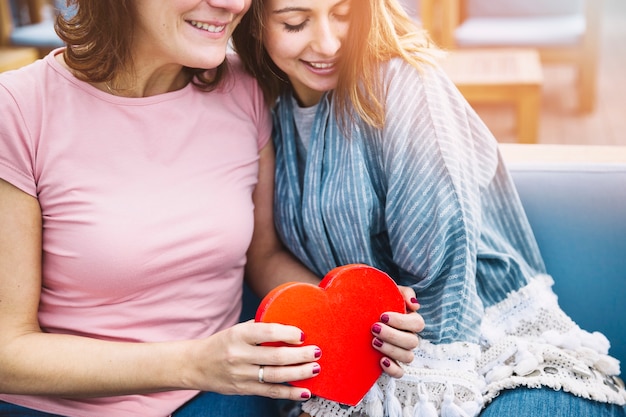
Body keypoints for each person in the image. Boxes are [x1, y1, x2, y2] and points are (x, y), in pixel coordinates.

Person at [0, 0, 425, 416]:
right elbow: (7, 353)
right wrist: (195, 364)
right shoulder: (19, 108)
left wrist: (358, 320)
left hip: (223, 397)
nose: (233, 4)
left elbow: (262, 257)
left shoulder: (243, 88)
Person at [231, 0, 626, 415]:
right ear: (255, 24)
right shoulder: (268, 106)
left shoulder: (404, 83)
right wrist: (345, 322)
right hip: (366, 360)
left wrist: (390, 335)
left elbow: (443, 291)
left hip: (496, 354)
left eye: (344, 14)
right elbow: (267, 255)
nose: (328, 44)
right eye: (295, 23)